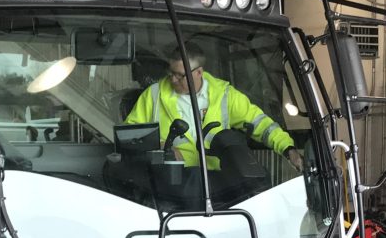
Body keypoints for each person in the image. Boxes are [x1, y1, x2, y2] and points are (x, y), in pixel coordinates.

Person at [125, 42, 303, 172]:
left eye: (179, 76)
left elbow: (261, 124)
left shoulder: (224, 95)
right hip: (170, 183)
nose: (172, 80)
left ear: (199, 72)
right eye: (170, 73)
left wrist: (288, 149)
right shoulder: (154, 95)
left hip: (217, 183)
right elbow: (129, 134)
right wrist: (162, 145)